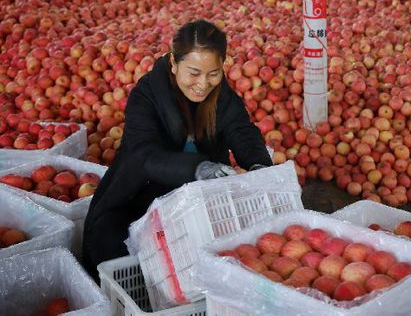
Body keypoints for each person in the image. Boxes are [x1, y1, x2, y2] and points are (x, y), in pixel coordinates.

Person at [81, 19, 272, 281]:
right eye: (193, 73)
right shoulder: (146, 95)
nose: (203, 84)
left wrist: (258, 165)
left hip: (195, 209)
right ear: (173, 62)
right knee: (128, 267)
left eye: (213, 73)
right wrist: (198, 168)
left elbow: (241, 130)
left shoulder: (221, 95)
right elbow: (144, 155)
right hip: (136, 204)